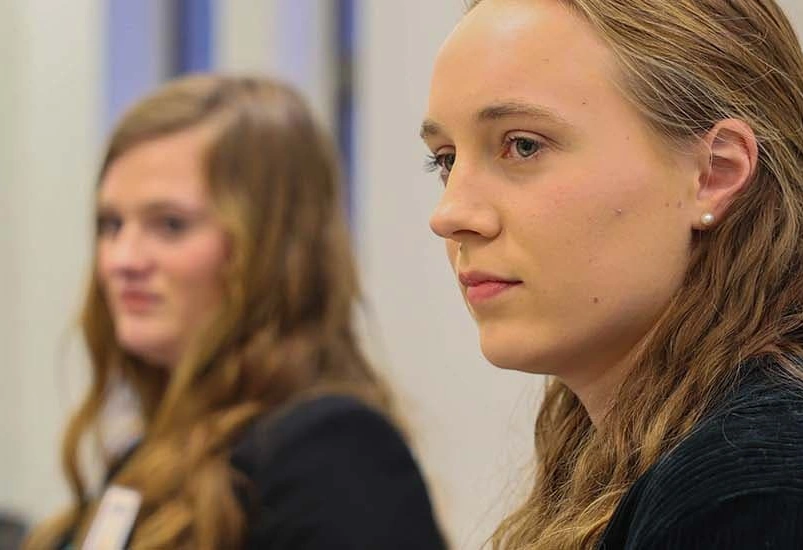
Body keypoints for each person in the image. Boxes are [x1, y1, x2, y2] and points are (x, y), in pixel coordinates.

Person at [421, 0, 803, 548]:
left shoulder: (752, 484)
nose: (450, 215)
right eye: (446, 159)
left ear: (714, 173)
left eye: (523, 145)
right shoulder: (640, 454)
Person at [25, 74, 446, 549]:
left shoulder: (335, 454)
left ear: (273, 249)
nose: (123, 259)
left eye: (169, 224)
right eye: (112, 224)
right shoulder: (148, 458)